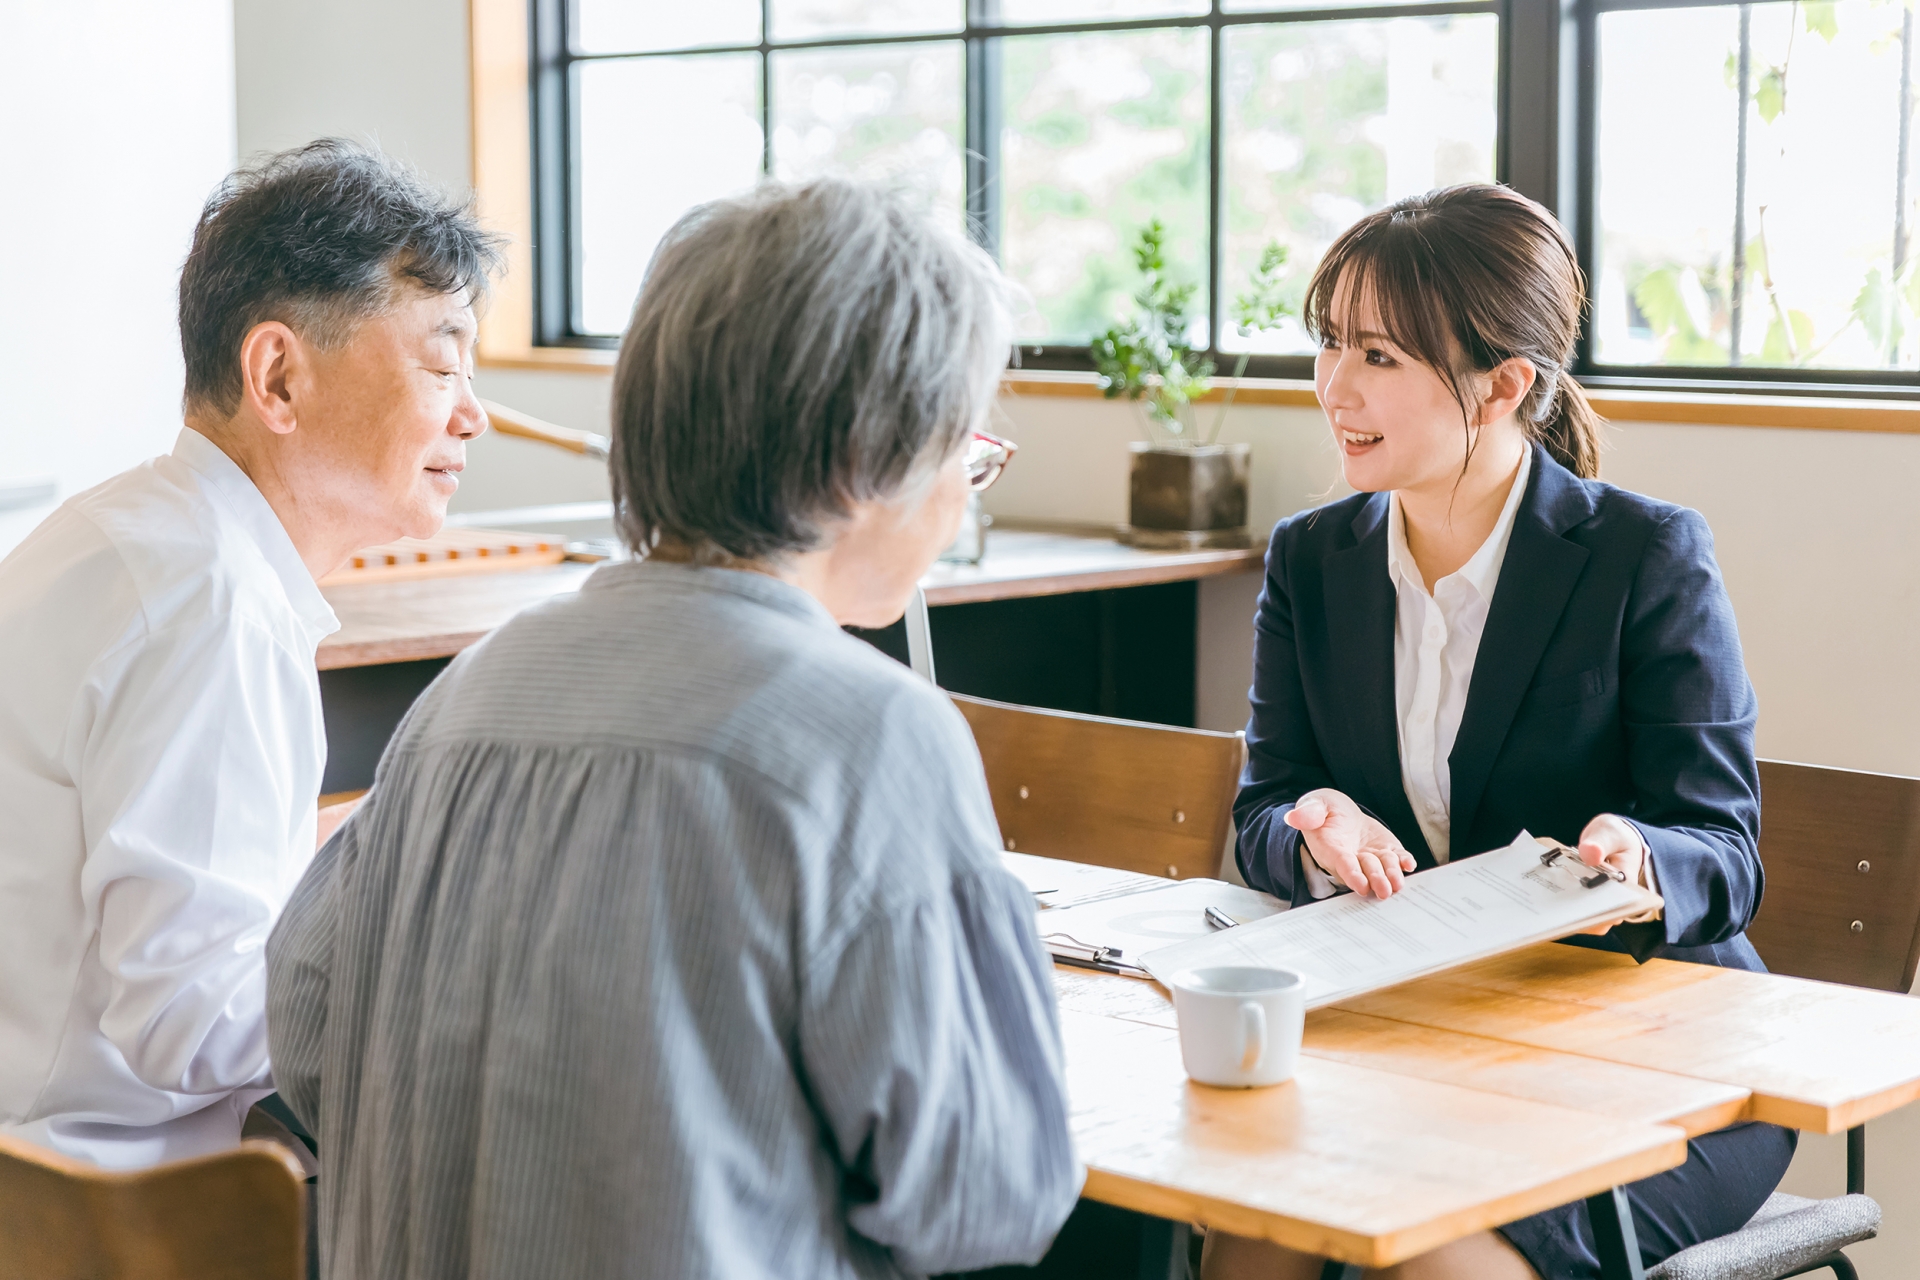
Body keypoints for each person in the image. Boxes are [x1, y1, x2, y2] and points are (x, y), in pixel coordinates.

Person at [265, 178, 1081, 1280]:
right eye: (964, 448)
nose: (962, 495)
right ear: (869, 456)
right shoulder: (870, 731)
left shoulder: (467, 694)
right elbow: (985, 1194)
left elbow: (308, 1039)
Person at [1204, 185, 1792, 1280]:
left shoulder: (1645, 555)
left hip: (1661, 1056)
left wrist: (1638, 853)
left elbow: (1726, 849)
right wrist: (1308, 823)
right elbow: (1266, 807)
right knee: (1255, 1220)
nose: (1334, 386)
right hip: (1419, 1033)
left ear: (1505, 382)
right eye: (1329, 343)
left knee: (1423, 1254)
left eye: (1378, 355)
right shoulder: (1310, 559)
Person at [0, 139, 500, 1168]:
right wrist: (440, 958)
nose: (473, 413)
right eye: (442, 361)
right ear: (277, 374)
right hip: (106, 1206)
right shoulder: (213, 605)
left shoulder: (126, 532)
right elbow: (192, 1017)